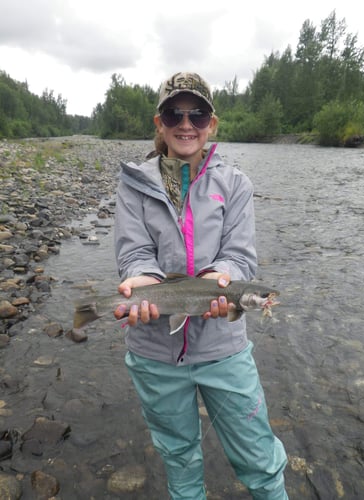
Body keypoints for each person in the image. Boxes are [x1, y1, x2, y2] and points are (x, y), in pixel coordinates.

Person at [114, 72, 288, 499]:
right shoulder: (133, 183)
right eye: (175, 112)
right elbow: (134, 253)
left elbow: (241, 255)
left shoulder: (236, 185)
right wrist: (143, 281)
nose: (186, 123)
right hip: (154, 351)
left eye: (198, 113)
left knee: (260, 459)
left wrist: (220, 277)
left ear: (212, 122)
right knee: (180, 459)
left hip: (224, 348)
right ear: (159, 122)